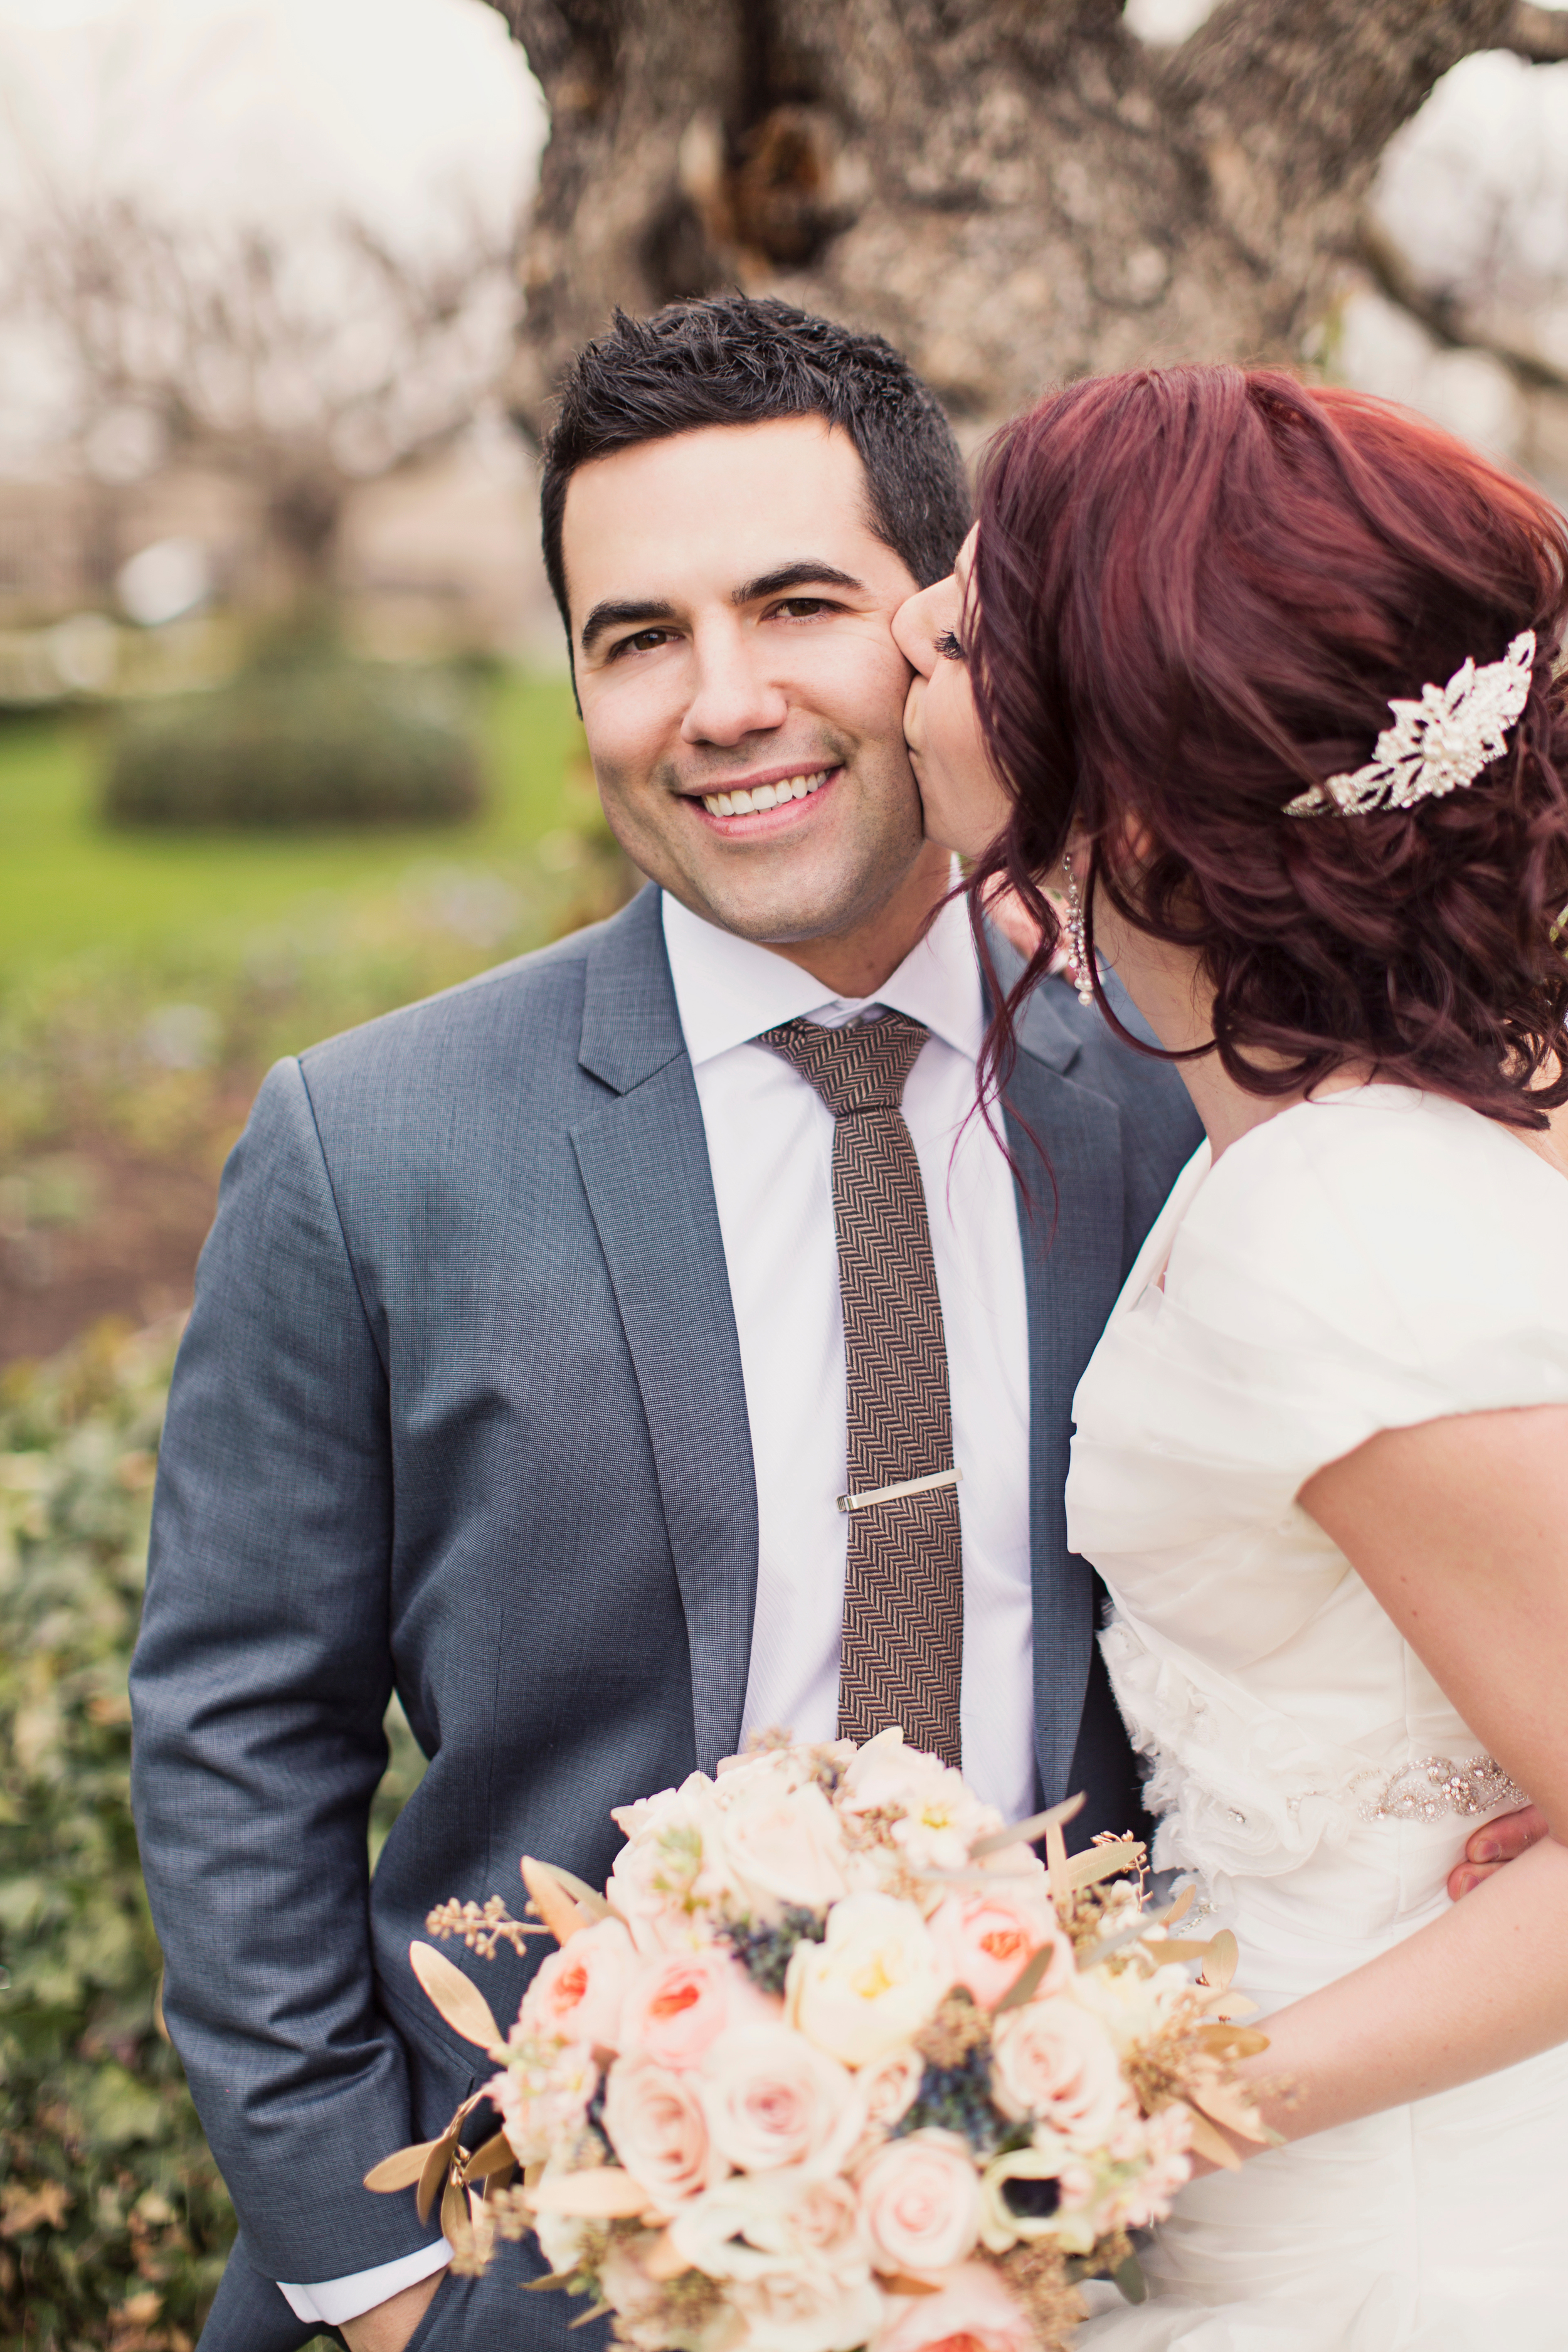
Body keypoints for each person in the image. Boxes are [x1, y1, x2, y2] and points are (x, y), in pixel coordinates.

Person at [130, 297, 1213, 2352]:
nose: (719, 703)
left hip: (1112, 2248)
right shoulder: (370, 1148)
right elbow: (232, 1734)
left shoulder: (1174, 1090)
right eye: (636, 638)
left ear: (937, 631)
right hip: (530, 2273)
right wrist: (378, 2290)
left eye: (793, 605)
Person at [894, 363, 1568, 2348]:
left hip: (1407, 2231)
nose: (922, 626)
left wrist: (1117, 2113)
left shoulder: (1331, 1222)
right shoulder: (1339, 1148)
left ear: (1125, 778)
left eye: (983, 608)